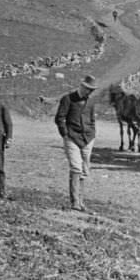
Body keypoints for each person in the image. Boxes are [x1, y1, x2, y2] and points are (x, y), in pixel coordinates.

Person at [54, 74, 97, 211]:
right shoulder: (68, 99)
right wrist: (65, 135)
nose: (89, 92)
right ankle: (74, 202)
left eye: (92, 90)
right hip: (72, 138)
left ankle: (80, 201)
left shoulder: (90, 102)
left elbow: (92, 120)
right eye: (87, 89)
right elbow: (59, 118)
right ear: (82, 86)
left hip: (87, 139)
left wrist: (92, 134)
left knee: (84, 170)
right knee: (76, 168)